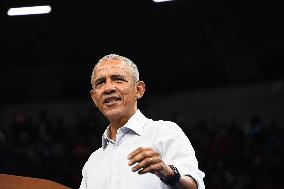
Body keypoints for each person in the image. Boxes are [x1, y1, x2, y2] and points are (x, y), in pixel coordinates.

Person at [79, 54, 205, 189]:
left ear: (138, 90)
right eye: (100, 82)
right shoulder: (92, 163)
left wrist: (168, 172)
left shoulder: (164, 132)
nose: (108, 88)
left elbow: (195, 186)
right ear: (94, 98)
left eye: (118, 79)